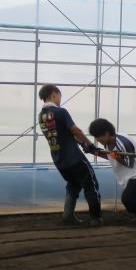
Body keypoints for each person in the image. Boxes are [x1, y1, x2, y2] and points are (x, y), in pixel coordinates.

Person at [37, 84, 102, 226]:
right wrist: (90, 145)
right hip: (75, 158)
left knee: (73, 184)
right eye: (59, 96)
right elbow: (75, 131)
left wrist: (80, 142)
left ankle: (68, 216)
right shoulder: (61, 112)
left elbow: (63, 134)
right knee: (91, 184)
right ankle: (96, 218)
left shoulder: (41, 116)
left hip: (59, 161)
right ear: (54, 94)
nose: (60, 99)